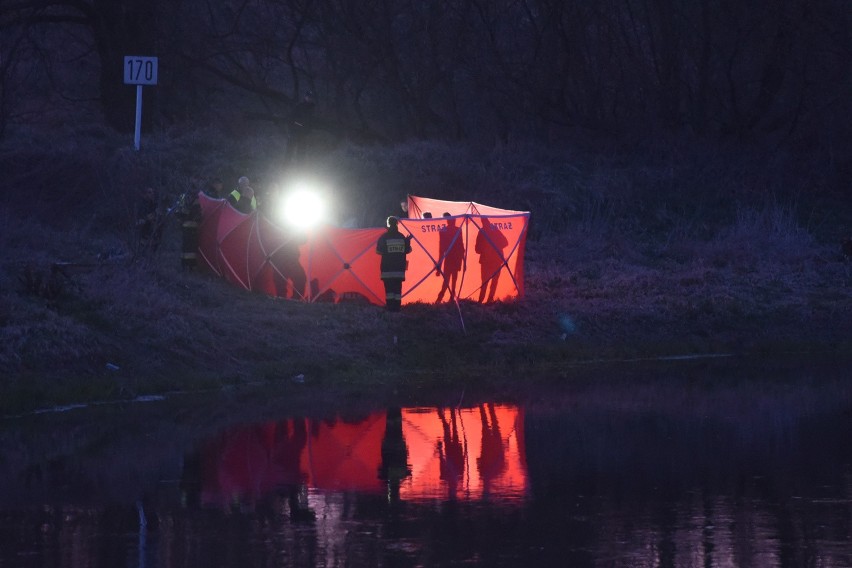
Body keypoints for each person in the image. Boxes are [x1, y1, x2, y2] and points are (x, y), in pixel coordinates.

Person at [375, 216, 412, 312]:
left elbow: (378, 251)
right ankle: (397, 308)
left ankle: (390, 308)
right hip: (399, 269)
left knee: (389, 290)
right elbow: (408, 250)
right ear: (397, 224)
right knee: (397, 290)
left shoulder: (384, 237)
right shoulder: (401, 237)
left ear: (388, 224)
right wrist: (407, 242)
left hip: (387, 269)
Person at [474, 217, 508, 303]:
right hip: (490, 261)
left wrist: (492, 247)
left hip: (492, 261)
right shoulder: (485, 231)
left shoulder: (486, 231)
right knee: (489, 282)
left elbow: (505, 242)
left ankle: (485, 300)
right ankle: (485, 300)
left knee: (488, 282)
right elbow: (477, 249)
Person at [436, 213, 465, 303]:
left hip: (450, 258)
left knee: (448, 279)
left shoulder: (444, 231)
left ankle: (442, 298)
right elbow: (462, 247)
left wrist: (439, 266)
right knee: (453, 278)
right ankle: (449, 297)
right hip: (455, 257)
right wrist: (464, 261)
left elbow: (441, 249)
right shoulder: (457, 230)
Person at [285, 91, 316, 165]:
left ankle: (300, 170)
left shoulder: (312, 108)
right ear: (305, 97)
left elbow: (312, 121)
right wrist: (297, 126)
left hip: (304, 134)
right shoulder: (299, 106)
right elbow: (291, 119)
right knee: (290, 152)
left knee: (301, 153)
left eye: (311, 97)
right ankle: (285, 168)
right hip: (295, 132)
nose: (309, 99)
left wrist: (308, 129)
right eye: (308, 97)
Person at [175, 189, 202, 270]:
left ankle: (185, 265)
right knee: (190, 247)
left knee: (187, 247)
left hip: (186, 225)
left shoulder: (183, 196)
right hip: (191, 226)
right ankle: (190, 265)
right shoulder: (193, 198)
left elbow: (178, 212)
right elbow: (196, 213)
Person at [136, 186, 163, 256]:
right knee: (143, 250)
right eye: (149, 192)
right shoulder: (142, 205)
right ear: (145, 194)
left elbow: (159, 216)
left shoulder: (155, 204)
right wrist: (152, 215)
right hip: (144, 231)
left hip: (153, 232)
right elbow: (143, 217)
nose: (152, 194)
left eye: (152, 192)